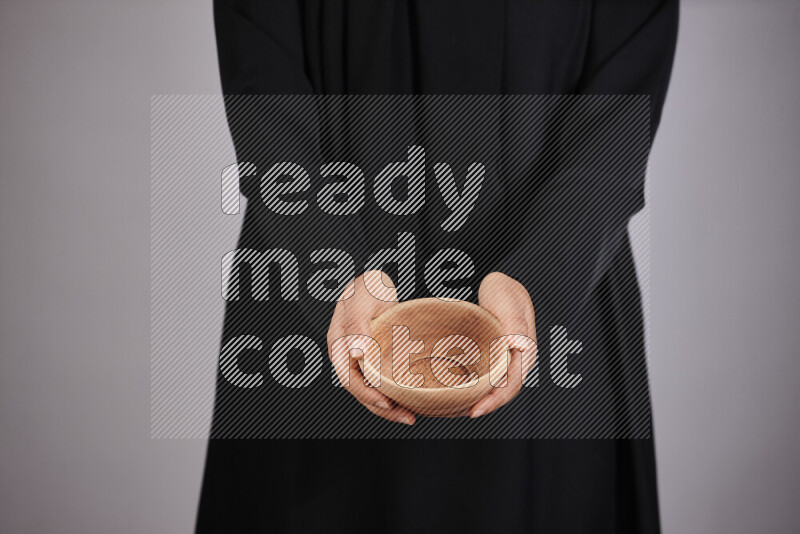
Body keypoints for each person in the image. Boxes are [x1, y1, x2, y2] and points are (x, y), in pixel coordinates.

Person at [197, 1, 678, 532]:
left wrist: (538, 280)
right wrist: (334, 275)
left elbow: (620, 110)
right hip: (322, 311)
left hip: (555, 300)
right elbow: (262, 86)